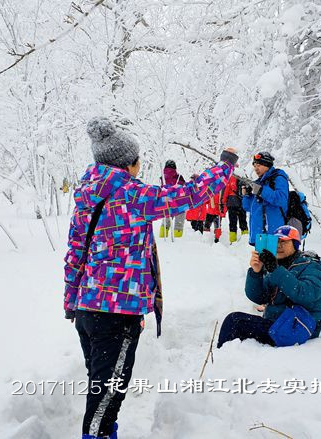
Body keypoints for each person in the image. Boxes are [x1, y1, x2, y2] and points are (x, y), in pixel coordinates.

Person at [64, 116, 238, 439]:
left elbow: (75, 253)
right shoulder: (133, 196)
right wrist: (224, 166)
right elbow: (190, 195)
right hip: (116, 318)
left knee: (105, 397)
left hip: (86, 313)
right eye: (138, 160)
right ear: (128, 164)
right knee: (102, 407)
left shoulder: (86, 195)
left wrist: (70, 300)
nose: (141, 165)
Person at [217, 225, 321, 348]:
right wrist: (256, 272)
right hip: (279, 324)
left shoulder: (311, 264)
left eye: (284, 242)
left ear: (295, 244)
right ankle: (230, 358)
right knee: (237, 326)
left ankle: (220, 359)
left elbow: (305, 293)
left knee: (234, 321)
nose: (279, 246)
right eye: (276, 241)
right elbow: (259, 297)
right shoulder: (276, 265)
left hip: (298, 327)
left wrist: (275, 270)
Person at [241, 152, 290, 246]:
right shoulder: (258, 183)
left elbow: (281, 199)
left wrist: (261, 190)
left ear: (267, 165)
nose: (256, 168)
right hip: (259, 235)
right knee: (260, 261)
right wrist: (246, 195)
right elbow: (247, 207)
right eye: (254, 166)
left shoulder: (278, 177)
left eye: (258, 165)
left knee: (274, 260)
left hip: (274, 234)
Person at [160, 160, 186, 239]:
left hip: (167, 202)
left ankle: (163, 237)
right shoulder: (179, 177)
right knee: (179, 223)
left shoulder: (162, 177)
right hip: (179, 203)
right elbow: (183, 188)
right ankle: (177, 241)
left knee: (166, 221)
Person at [223, 174, 248, 243]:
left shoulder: (230, 178)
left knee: (232, 222)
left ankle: (233, 240)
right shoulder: (243, 177)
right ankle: (245, 238)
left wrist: (224, 201)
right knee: (243, 221)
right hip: (241, 202)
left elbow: (226, 190)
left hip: (232, 203)